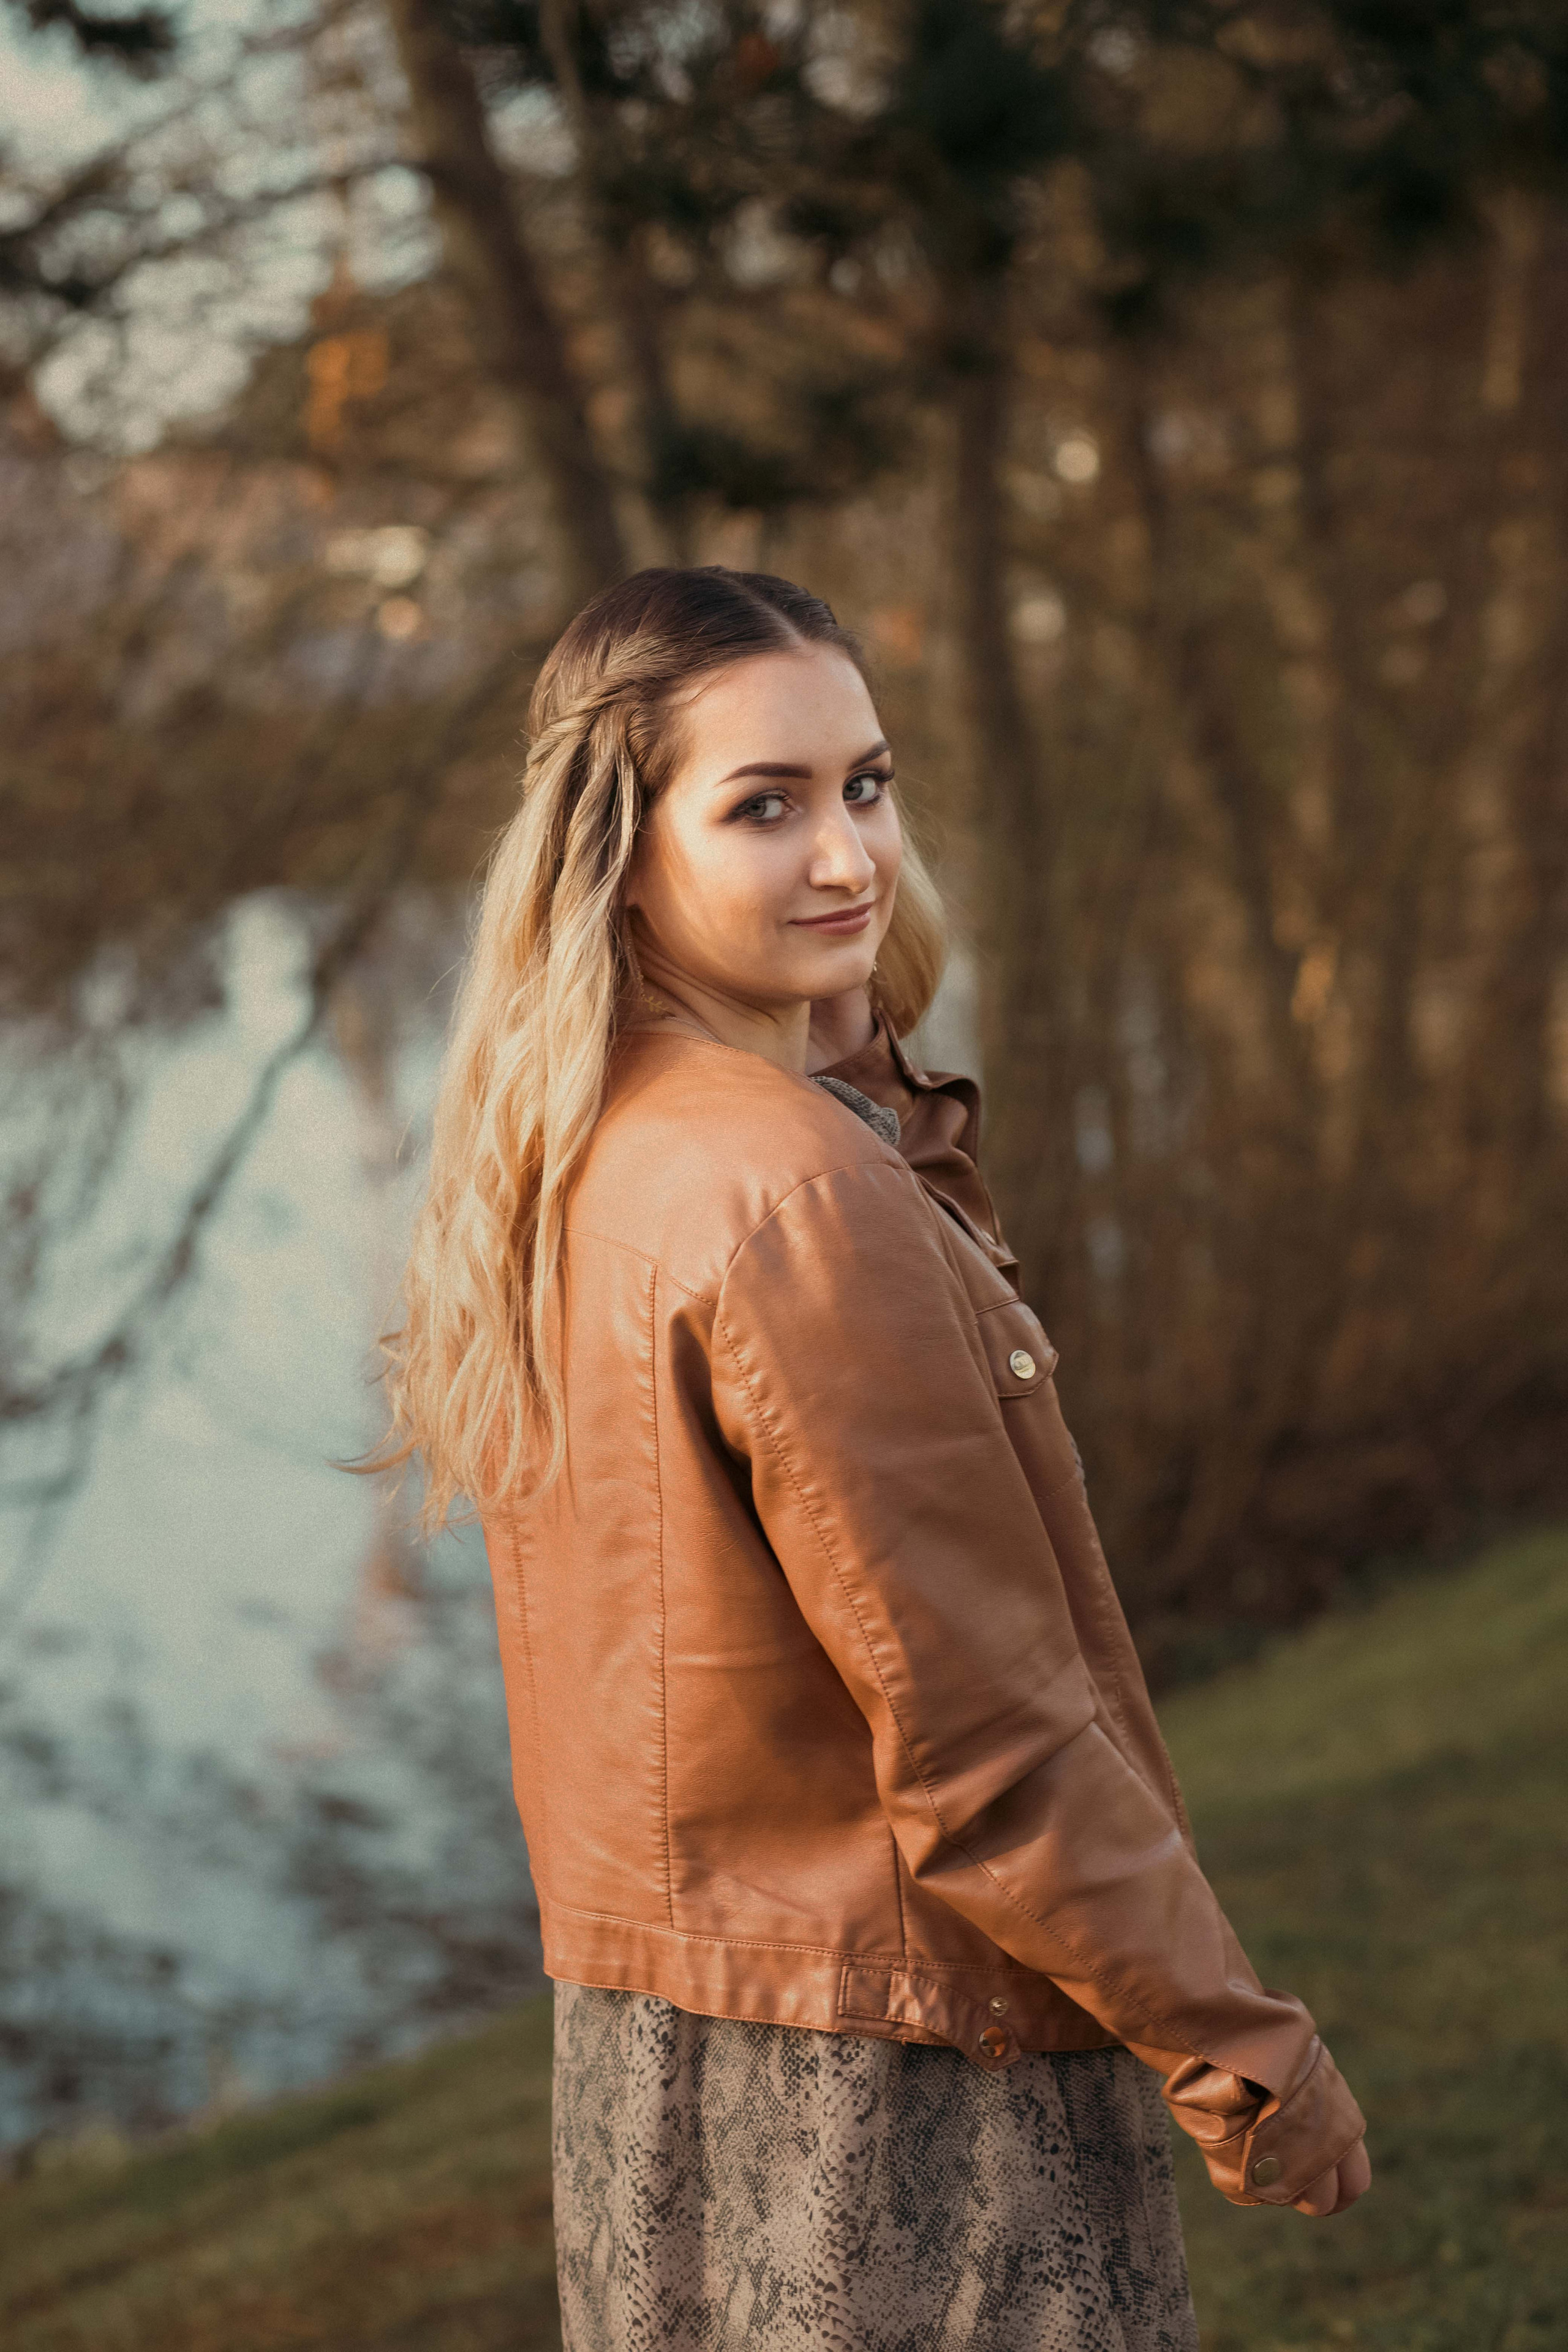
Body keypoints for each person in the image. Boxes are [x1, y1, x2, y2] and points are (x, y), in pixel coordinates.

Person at [383, 565, 1370, 2351]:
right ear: (619, 844)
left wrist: (847, 1057)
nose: (851, 858)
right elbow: (987, 1741)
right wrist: (1241, 2049)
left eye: (867, 785)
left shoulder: (573, 1153)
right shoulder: (794, 1196)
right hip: (898, 2083)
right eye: (765, 805)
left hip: (654, 2065)